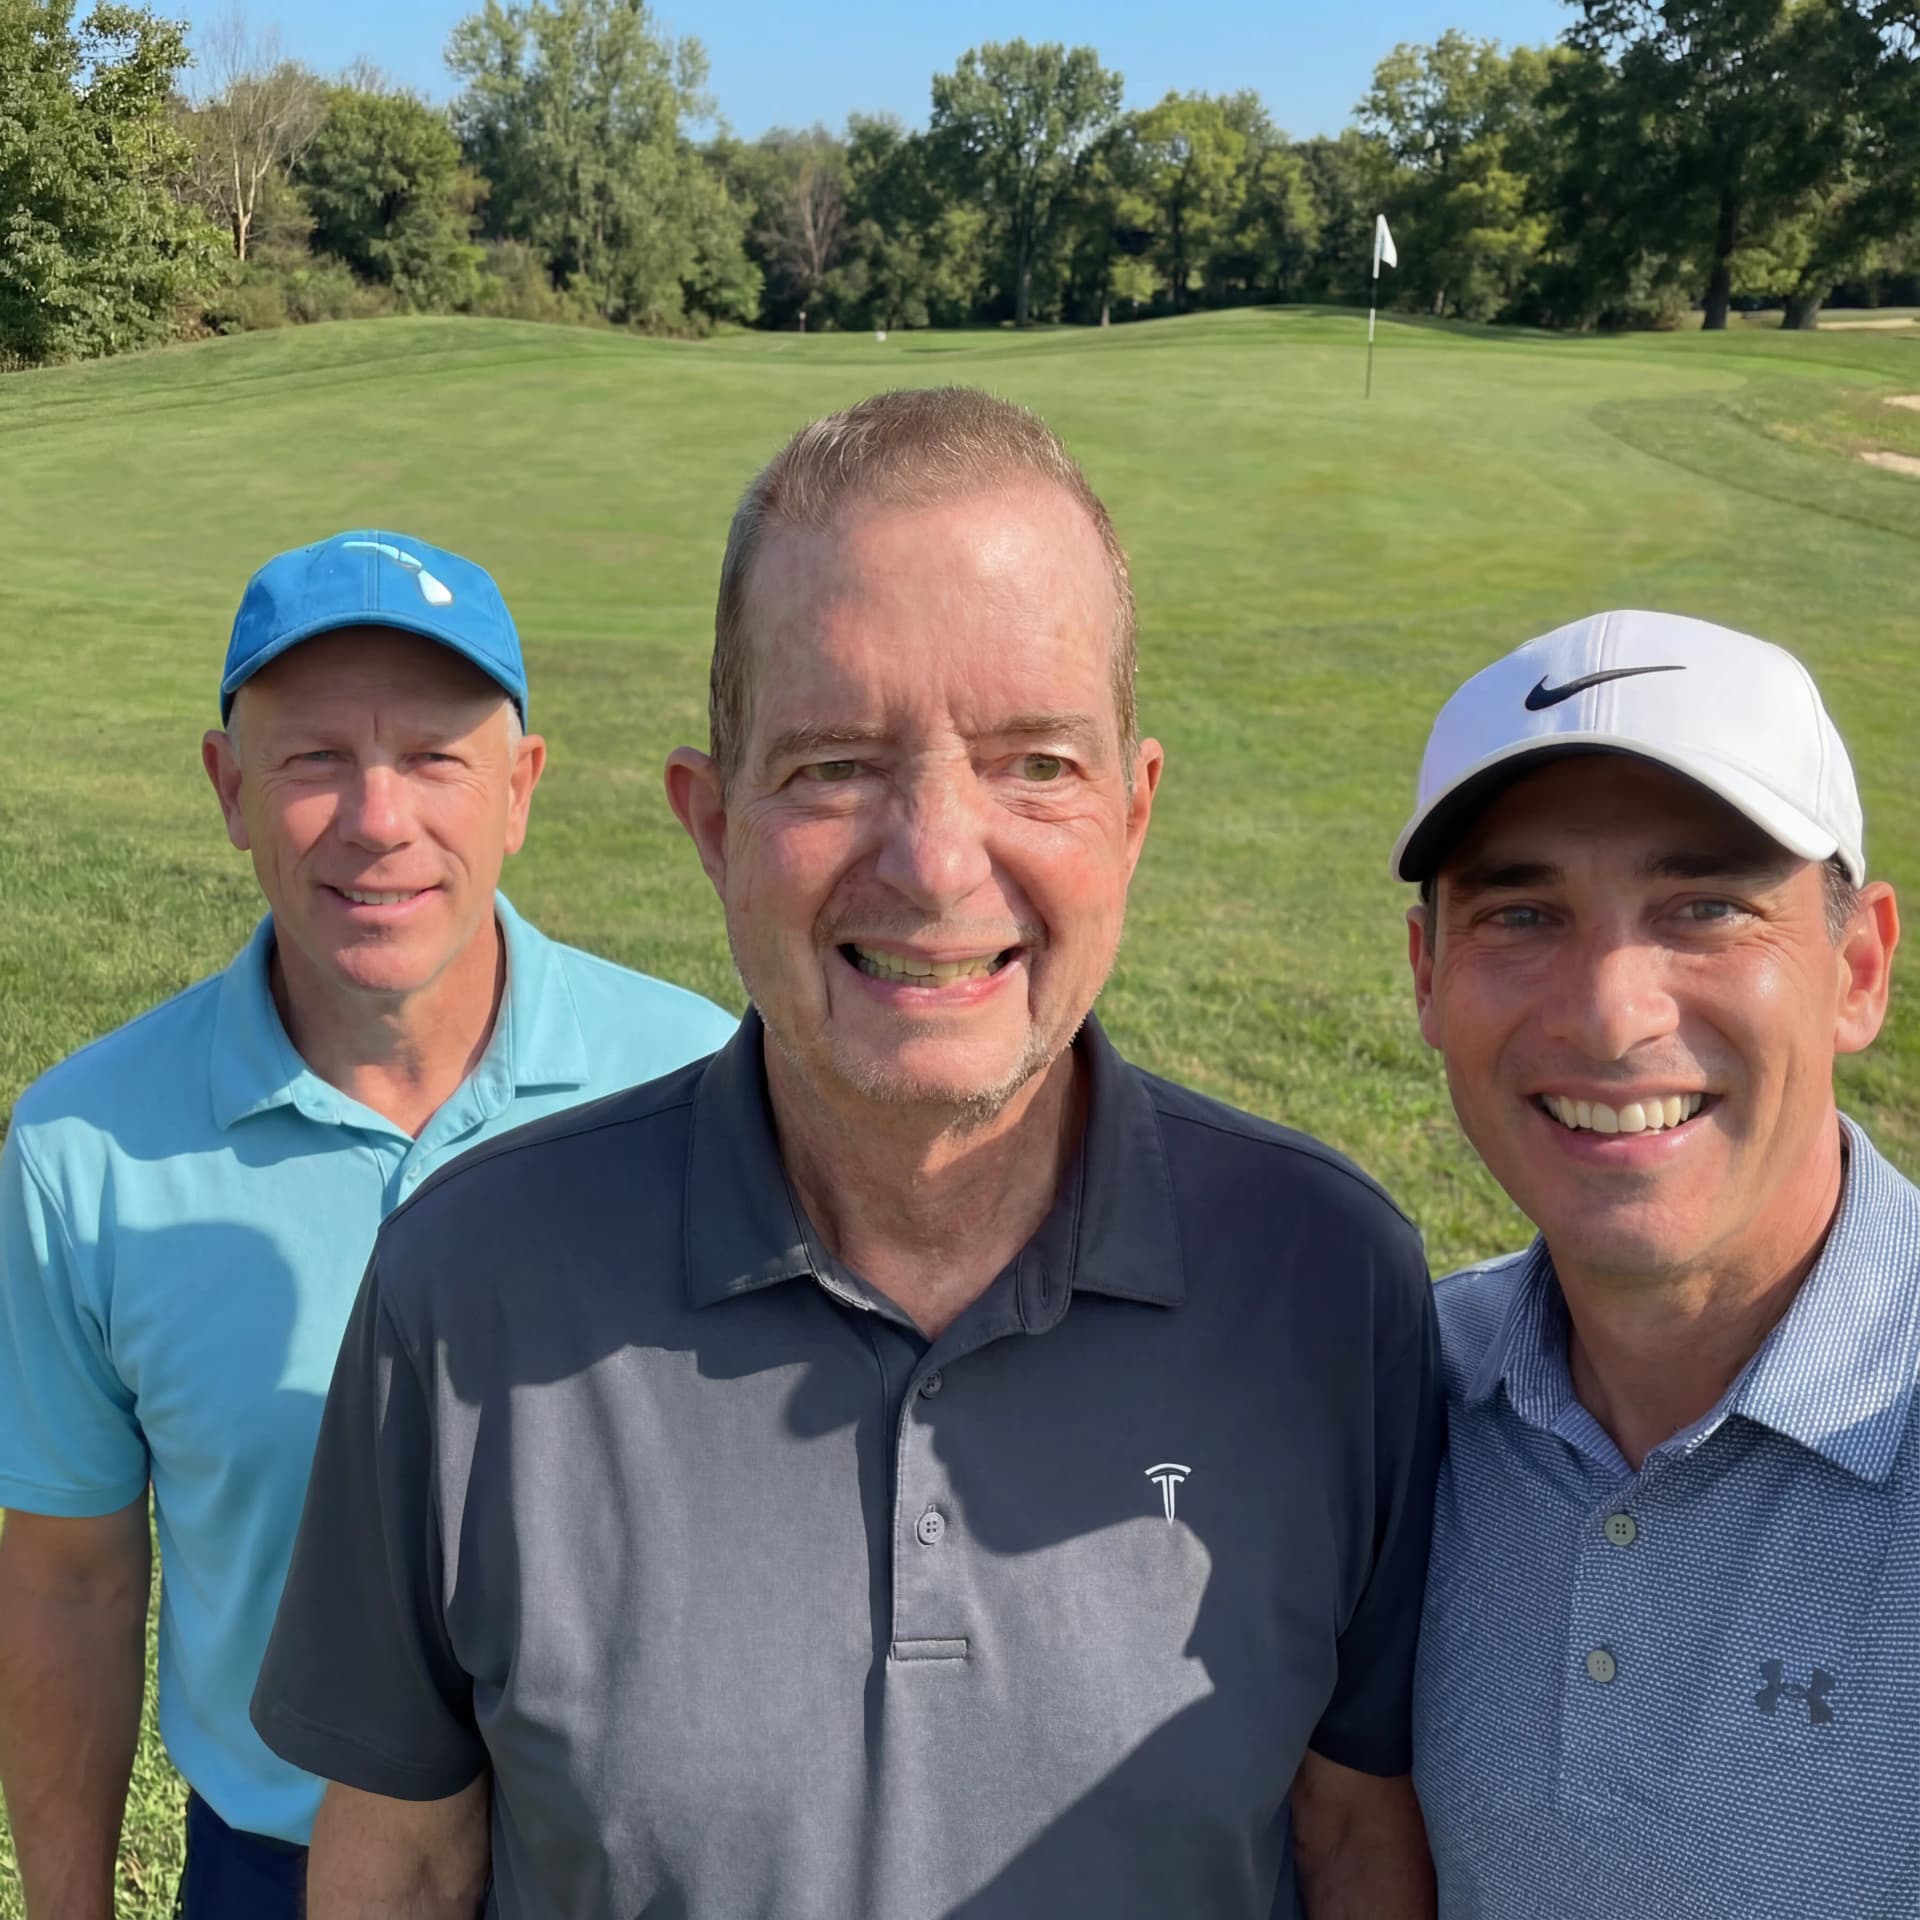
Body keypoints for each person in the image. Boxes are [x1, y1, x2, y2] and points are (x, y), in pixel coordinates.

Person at [250, 389, 1444, 1919]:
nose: (938, 860)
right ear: (711, 825)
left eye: (1036, 764)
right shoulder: (467, 1286)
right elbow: (404, 1857)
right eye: (832, 766)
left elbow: (1355, 1839)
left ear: (1134, 819)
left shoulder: (1328, 1282)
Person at [0, 530, 738, 1918]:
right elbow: (70, 1580)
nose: (377, 818)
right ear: (229, 790)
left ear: (521, 790)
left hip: (625, 1868)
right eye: (314, 759)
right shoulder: (82, 1148)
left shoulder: (697, 1084)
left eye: (437, 760)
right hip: (270, 1871)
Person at [1395, 609, 1917, 1919]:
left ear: (1857, 969)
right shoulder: (1402, 1394)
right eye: (1523, 912)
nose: (1613, 1013)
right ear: (1427, 975)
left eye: (1705, 909)